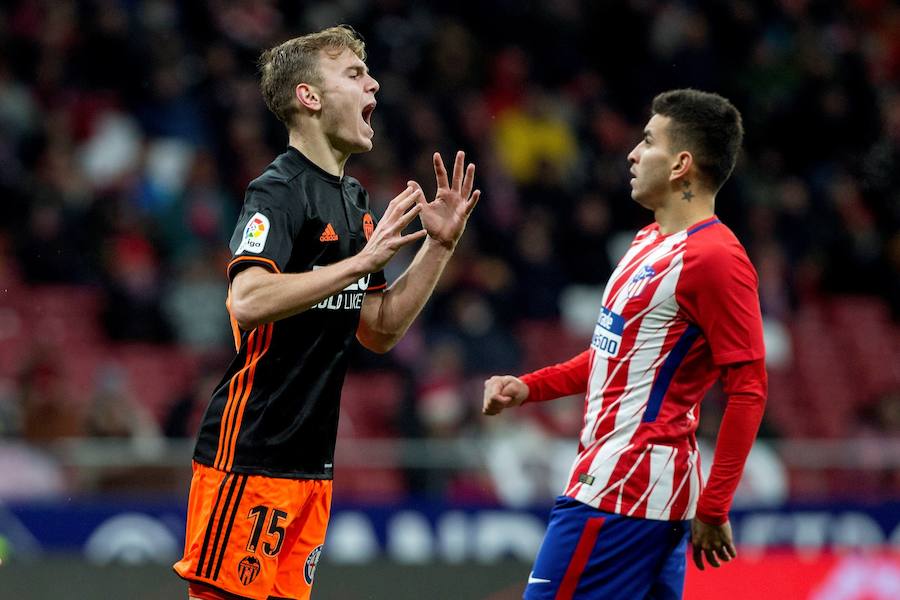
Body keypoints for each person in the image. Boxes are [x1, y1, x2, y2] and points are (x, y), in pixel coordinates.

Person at [174, 26, 480, 600]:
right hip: (249, 457)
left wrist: (438, 247)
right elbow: (248, 298)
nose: (374, 83)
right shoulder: (277, 191)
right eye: (355, 75)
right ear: (310, 98)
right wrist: (358, 262)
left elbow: (381, 329)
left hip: (311, 468)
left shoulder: (356, 200)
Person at [483, 89, 766, 600]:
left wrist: (716, 506)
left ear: (682, 164)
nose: (633, 154)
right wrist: (528, 387)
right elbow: (615, 358)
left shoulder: (717, 259)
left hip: (622, 491)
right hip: (631, 491)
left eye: (647, 141)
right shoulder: (645, 242)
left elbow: (748, 388)